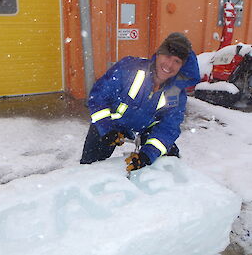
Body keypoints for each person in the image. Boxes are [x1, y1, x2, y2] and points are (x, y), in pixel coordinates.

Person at [80, 32, 200, 173]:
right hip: (111, 123)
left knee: (167, 157)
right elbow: (98, 96)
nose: (169, 64)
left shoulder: (176, 93)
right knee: (89, 168)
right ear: (158, 54)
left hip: (145, 129)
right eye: (167, 56)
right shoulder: (129, 68)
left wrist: (147, 155)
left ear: (182, 66)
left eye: (177, 61)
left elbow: (169, 128)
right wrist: (106, 128)